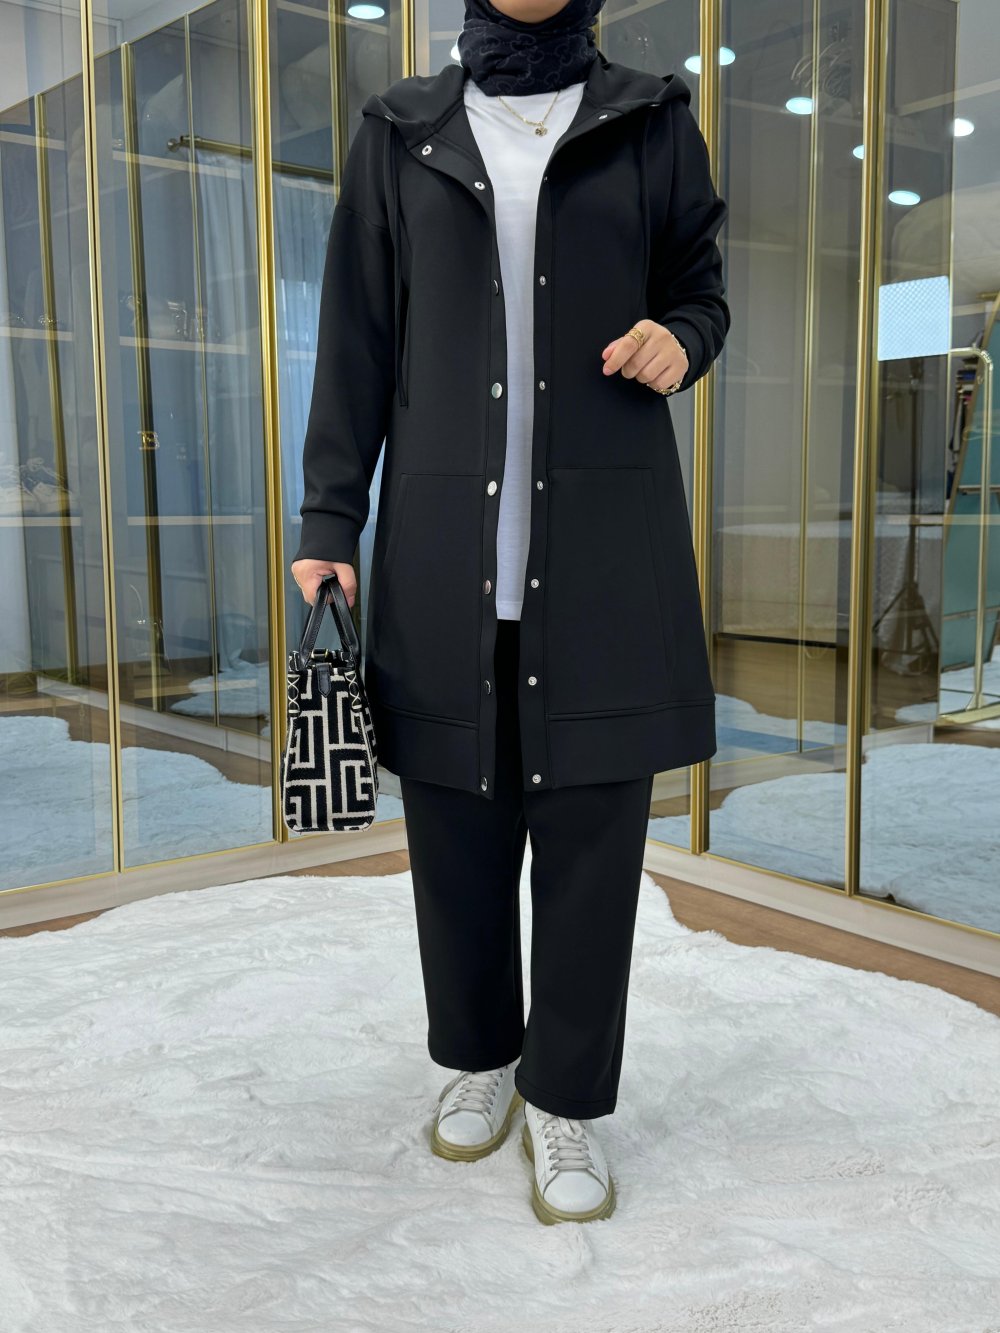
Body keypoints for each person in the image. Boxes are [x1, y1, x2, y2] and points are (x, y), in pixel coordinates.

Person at [290, 0, 730, 1225]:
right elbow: (357, 339)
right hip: (445, 557)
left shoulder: (652, 121)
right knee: (455, 841)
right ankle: (479, 1055)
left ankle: (567, 1099)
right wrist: (328, 519)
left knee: (594, 850)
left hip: (603, 560)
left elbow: (700, 287)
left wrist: (680, 340)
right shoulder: (400, 131)